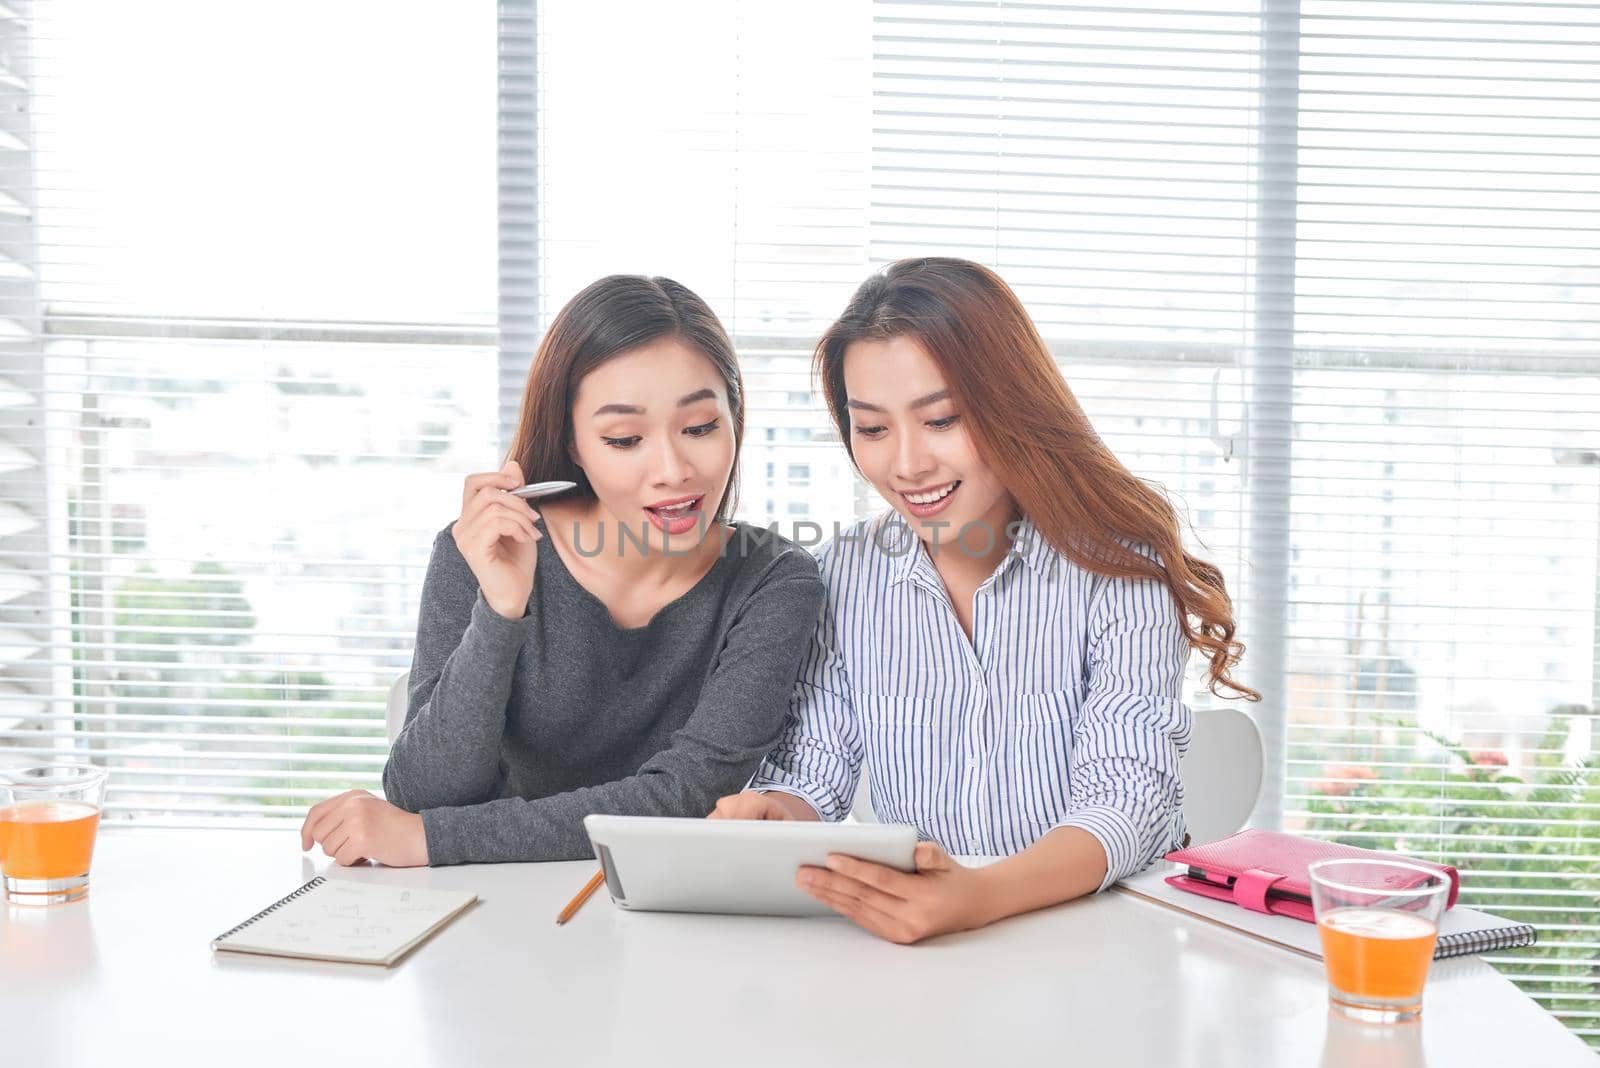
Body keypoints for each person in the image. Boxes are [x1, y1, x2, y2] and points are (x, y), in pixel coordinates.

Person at [711, 257, 1257, 942]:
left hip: (1108, 941)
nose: (907, 464)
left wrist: (979, 897)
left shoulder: (1118, 569)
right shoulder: (841, 575)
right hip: (933, 943)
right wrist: (777, 817)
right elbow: (819, 770)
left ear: (1012, 406)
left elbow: (1128, 802)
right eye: (874, 429)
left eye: (941, 419)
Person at [302, 275, 824, 867]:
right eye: (625, 438)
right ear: (573, 443)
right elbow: (423, 792)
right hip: (490, 910)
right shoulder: (483, 549)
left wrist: (433, 839)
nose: (674, 469)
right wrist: (501, 611)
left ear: (735, 419)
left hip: (672, 907)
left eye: (701, 428)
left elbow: (690, 797)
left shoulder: (775, 579)